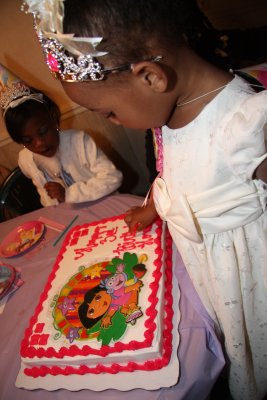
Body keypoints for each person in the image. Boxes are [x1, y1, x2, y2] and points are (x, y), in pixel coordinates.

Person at [22, 1, 267, 399]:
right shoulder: (167, 112)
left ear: (150, 77)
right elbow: (174, 171)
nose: (111, 121)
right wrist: (154, 204)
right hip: (207, 265)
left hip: (248, 272)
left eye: (111, 113)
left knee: (252, 341)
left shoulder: (245, 125)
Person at [0, 74, 123, 206]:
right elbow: (43, 193)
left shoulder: (79, 141)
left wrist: (69, 194)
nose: (39, 143)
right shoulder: (25, 160)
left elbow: (112, 177)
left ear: (53, 119)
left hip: (105, 207)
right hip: (69, 218)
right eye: (28, 140)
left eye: (43, 131)